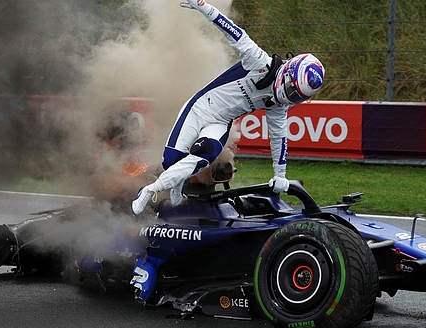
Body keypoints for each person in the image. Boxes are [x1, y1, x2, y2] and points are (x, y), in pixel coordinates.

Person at [132, 0, 325, 215]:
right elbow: (231, 30)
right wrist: (202, 5)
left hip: (220, 123)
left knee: (203, 156)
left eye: (298, 97)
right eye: (292, 90)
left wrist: (280, 175)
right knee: (170, 161)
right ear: (288, 71)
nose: (290, 97)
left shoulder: (280, 105)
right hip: (199, 108)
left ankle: (152, 190)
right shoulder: (259, 61)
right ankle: (170, 183)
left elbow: (279, 138)